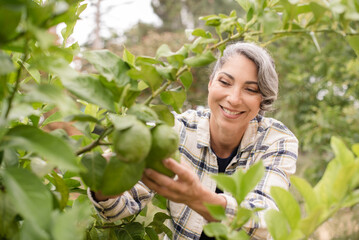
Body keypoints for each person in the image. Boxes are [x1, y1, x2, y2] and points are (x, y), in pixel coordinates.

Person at [88, 42, 298, 240]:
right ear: (210, 83)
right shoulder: (176, 131)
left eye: (250, 89)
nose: (234, 98)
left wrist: (198, 197)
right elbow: (120, 207)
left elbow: (265, 221)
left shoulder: (277, 141)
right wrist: (105, 185)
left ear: (263, 99)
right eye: (225, 82)